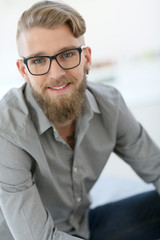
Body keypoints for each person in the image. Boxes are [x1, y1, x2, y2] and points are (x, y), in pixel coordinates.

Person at [0, 1, 160, 240]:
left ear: (86, 58)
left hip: (84, 227)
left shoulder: (110, 104)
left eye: (66, 55)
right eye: (38, 61)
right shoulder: (7, 130)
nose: (55, 74)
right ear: (23, 71)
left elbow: (156, 168)